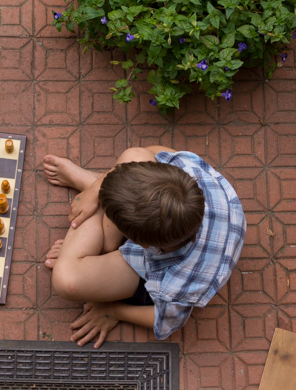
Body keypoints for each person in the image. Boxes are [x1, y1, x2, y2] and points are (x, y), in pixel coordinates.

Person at [43, 146, 246, 348]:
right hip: (180, 233)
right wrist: (94, 191)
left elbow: (164, 321)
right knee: (134, 156)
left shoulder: (174, 286)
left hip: (162, 268)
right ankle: (96, 190)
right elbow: (152, 150)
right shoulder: (188, 173)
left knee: (69, 278)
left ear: (139, 244)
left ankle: (97, 205)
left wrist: (113, 311)